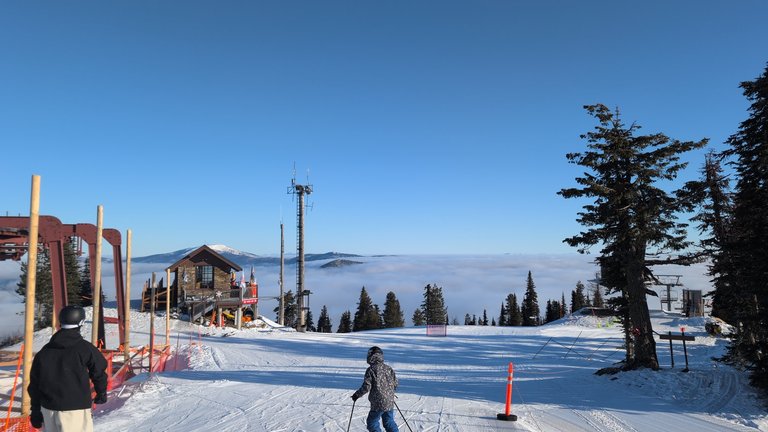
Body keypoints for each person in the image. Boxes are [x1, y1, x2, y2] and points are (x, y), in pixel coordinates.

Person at [28, 305, 108, 432]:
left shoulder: (44, 351)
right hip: (75, 409)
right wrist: (101, 392)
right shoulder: (84, 348)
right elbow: (99, 371)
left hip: (48, 409)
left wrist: (35, 410)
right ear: (81, 323)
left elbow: (35, 384)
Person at [351, 346, 399, 432]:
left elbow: (367, 386)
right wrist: (388, 393)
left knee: (372, 423)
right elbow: (395, 383)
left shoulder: (371, 370)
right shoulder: (388, 368)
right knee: (389, 421)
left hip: (378, 402)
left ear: (371, 356)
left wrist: (357, 395)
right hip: (389, 401)